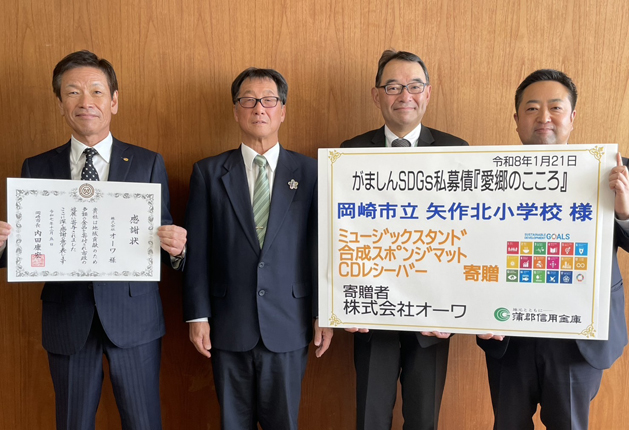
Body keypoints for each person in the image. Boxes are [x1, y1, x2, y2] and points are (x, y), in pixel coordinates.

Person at [0, 50, 187, 430]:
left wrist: (178, 249)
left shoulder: (148, 162)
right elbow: (26, 246)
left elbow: (163, 238)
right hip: (68, 318)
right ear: (60, 103)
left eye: (97, 91)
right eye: (73, 92)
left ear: (114, 101)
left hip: (134, 319)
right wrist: (3, 246)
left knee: (144, 422)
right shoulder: (36, 167)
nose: (86, 101)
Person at [477, 69, 629, 430]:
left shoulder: (613, 172)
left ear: (572, 117)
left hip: (577, 337)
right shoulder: (483, 177)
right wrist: (473, 309)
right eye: (532, 108)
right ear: (516, 120)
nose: (543, 117)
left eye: (555, 108)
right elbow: (465, 249)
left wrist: (624, 211)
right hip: (508, 331)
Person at [183, 67, 333, 430]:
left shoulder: (311, 173)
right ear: (236, 111)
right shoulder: (208, 173)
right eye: (248, 100)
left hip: (290, 321)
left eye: (268, 100)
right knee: (233, 423)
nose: (259, 108)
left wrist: (323, 312)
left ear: (282, 110)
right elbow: (198, 251)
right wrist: (197, 315)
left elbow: (321, 250)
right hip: (229, 322)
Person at [341, 49, 468, 430]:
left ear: (427, 93)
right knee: (370, 419)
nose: (404, 95)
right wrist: (339, 302)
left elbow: (472, 236)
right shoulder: (348, 153)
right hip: (371, 316)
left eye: (414, 86)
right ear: (376, 95)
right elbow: (338, 232)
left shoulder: (457, 152)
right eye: (393, 86)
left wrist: (458, 309)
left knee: (424, 420)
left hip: (434, 319)